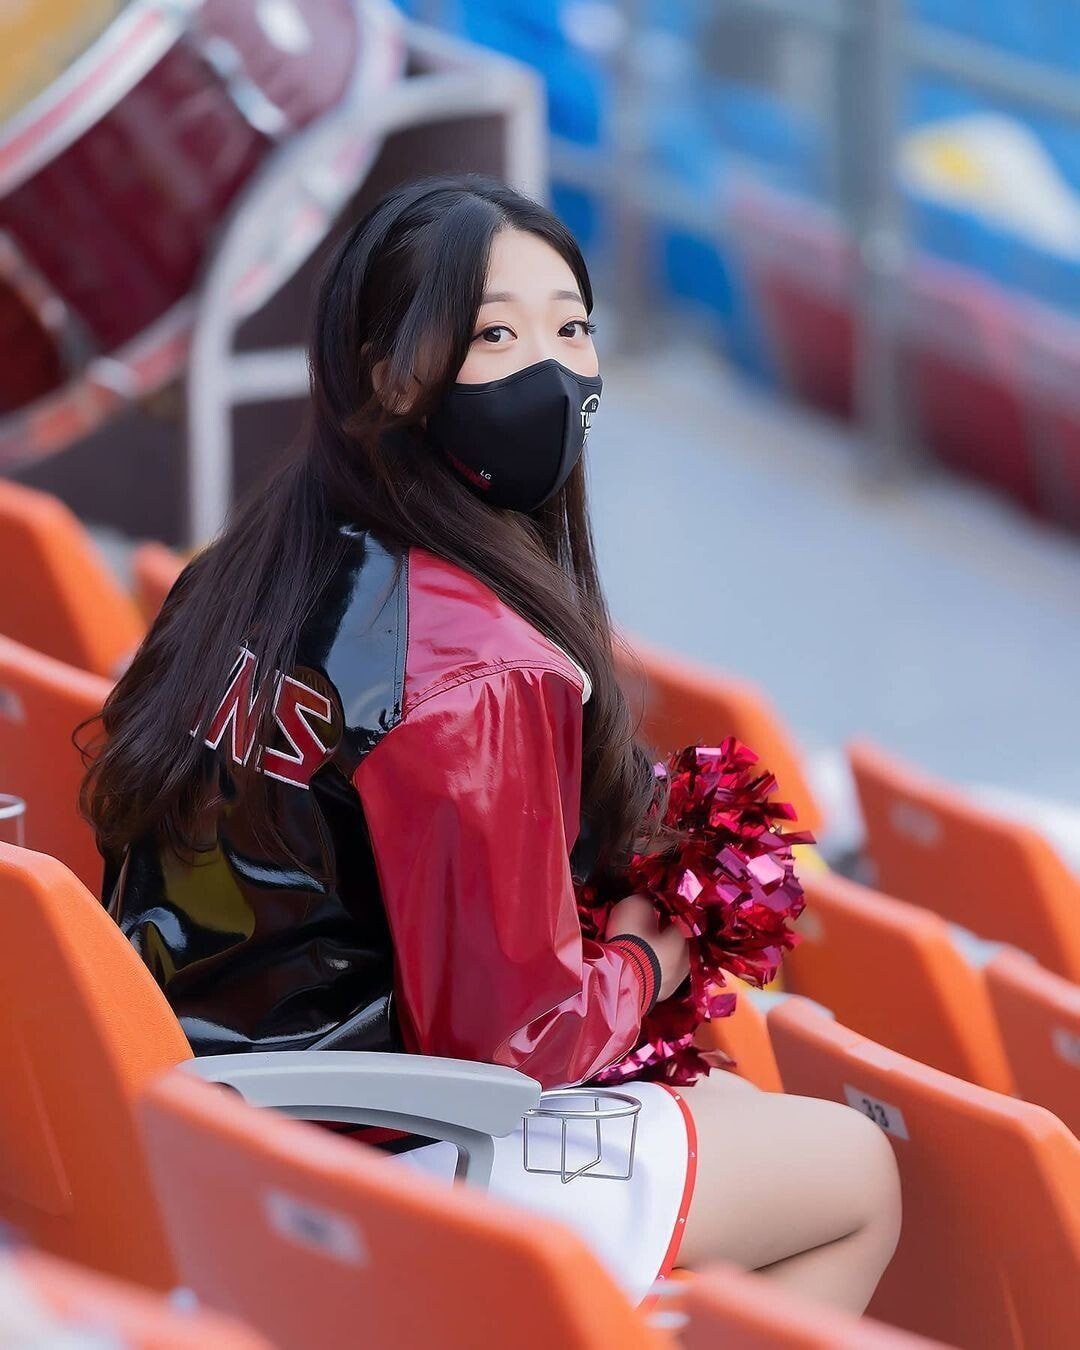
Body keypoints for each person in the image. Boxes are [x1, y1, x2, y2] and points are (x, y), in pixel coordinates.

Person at [82, 174, 900, 1312]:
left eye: (572, 329)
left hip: (197, 1100)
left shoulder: (241, 573)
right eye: (495, 337)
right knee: (858, 1175)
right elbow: (513, 1046)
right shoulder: (485, 667)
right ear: (389, 373)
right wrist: (650, 954)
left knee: (746, 1120)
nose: (550, 372)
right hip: (373, 1146)